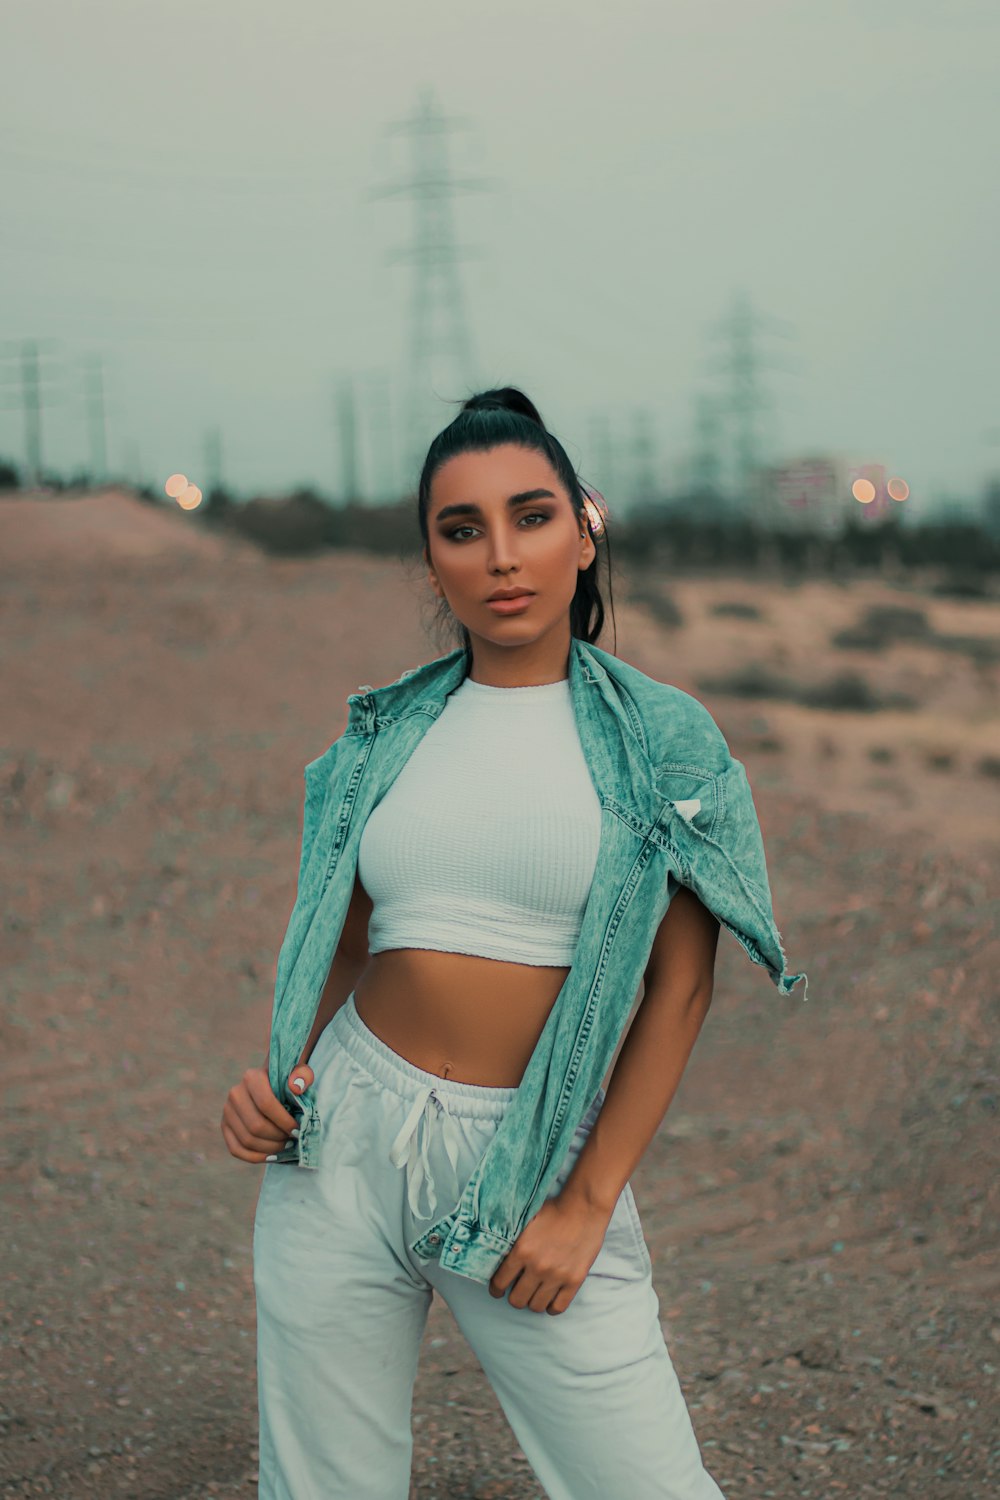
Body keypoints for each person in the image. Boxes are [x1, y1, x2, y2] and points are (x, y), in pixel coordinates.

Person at [222, 386, 807, 1499]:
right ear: (431, 560)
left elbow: (679, 991)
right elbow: (348, 944)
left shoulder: (662, 739)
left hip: (528, 1162)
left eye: (531, 517)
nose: (501, 556)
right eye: (461, 529)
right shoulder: (389, 728)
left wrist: (584, 1206)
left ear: (586, 529)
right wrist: (279, 1074)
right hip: (341, 1137)